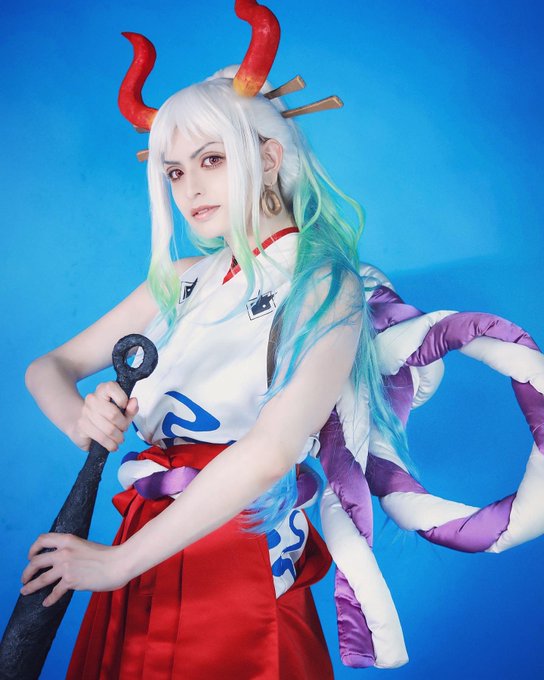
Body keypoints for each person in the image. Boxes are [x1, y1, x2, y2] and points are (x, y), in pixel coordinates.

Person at [18, 2, 544, 678]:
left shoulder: (326, 284)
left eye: (211, 159)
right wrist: (83, 419)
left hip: (235, 549)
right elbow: (49, 367)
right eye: (174, 171)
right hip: (143, 535)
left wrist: (118, 564)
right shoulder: (179, 280)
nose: (190, 187)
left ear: (268, 157)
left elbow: (268, 453)